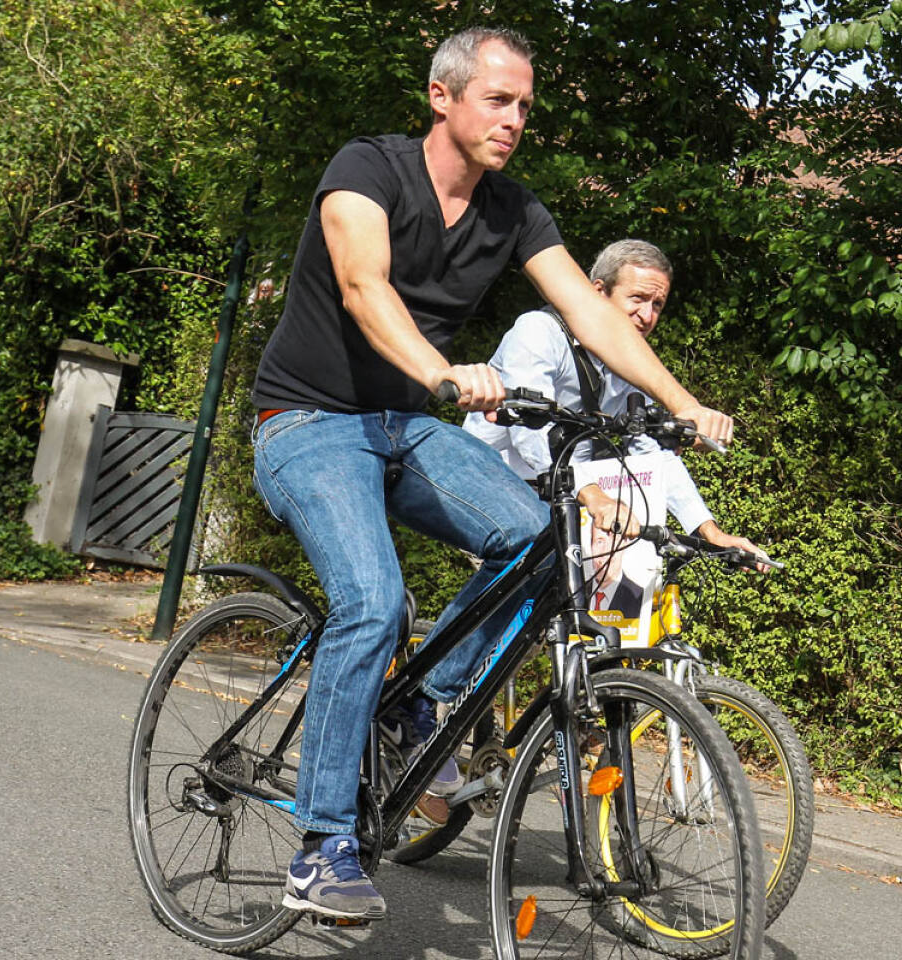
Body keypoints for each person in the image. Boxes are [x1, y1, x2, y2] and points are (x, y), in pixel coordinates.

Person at [251, 31, 735, 921]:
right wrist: (442, 370)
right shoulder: (367, 169)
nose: (514, 120)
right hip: (307, 421)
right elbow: (364, 287)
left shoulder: (513, 209)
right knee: (373, 601)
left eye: (524, 107)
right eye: (498, 101)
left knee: (544, 542)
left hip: (403, 427)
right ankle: (322, 846)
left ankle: (415, 710)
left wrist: (683, 402)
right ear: (443, 97)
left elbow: (591, 311)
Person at [464, 238, 768, 566]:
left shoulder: (630, 366)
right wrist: (594, 496)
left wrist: (710, 532)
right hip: (491, 486)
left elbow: (653, 453)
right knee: (534, 580)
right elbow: (529, 431)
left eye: (657, 305)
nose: (647, 315)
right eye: (637, 298)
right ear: (598, 292)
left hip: (567, 495)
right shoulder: (538, 331)